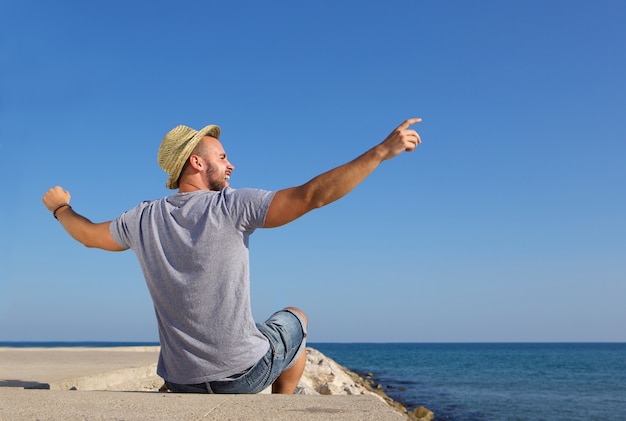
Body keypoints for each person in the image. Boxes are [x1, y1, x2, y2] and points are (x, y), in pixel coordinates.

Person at [42, 118, 422, 394]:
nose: (231, 164)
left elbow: (89, 236)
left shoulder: (141, 217)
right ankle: (279, 406)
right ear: (196, 162)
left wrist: (61, 208)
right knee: (296, 319)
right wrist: (380, 152)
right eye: (222, 157)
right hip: (240, 378)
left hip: (180, 381)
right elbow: (311, 196)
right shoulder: (231, 205)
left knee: (259, 329)